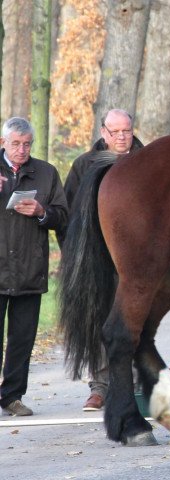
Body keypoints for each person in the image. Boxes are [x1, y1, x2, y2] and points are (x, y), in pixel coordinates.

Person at [61, 109, 144, 411]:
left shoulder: (147, 163)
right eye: (116, 132)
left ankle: (132, 384)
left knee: (136, 319)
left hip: (137, 258)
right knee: (100, 319)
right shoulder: (85, 165)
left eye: (127, 131)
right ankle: (100, 385)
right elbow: (69, 213)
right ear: (104, 132)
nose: (122, 137)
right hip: (98, 256)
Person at [0, 117, 68, 416]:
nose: (21, 150)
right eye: (15, 144)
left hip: (30, 270)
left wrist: (42, 212)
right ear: (3, 143)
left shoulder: (46, 173)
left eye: (27, 144)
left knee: (22, 340)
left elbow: (63, 216)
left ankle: (12, 397)